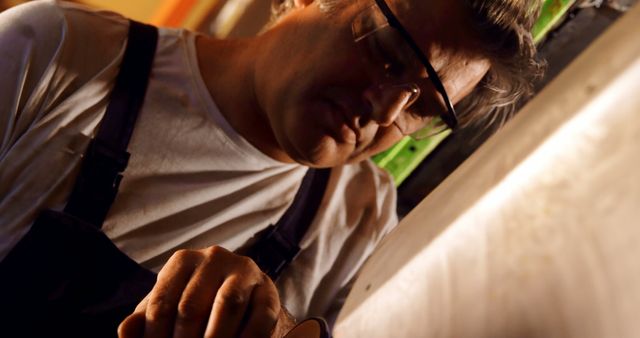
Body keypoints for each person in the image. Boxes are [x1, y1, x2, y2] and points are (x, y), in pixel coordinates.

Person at [0, 0, 542, 337]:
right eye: (387, 53)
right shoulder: (57, 51)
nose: (383, 112)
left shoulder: (359, 223)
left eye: (422, 107)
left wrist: (284, 333)